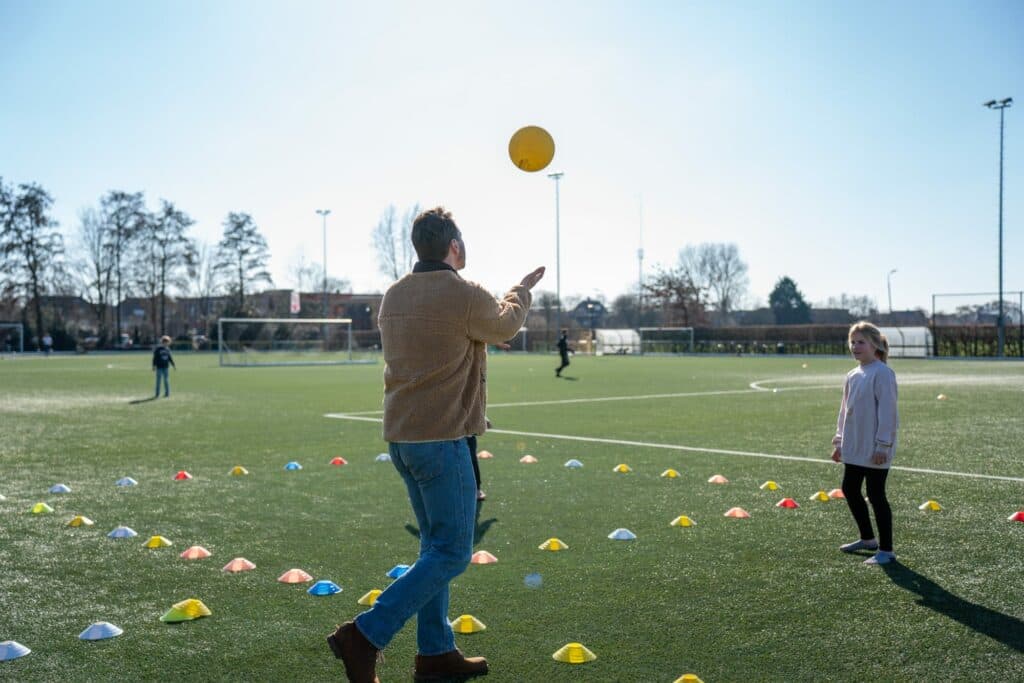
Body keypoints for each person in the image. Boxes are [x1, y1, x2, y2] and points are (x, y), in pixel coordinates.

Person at [327, 207, 544, 683]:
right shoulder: (463, 294)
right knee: (451, 553)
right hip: (443, 441)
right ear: (454, 247)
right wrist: (521, 290)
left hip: (403, 439)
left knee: (433, 547)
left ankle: (436, 653)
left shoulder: (394, 295)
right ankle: (364, 635)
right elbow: (505, 325)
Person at [831, 321, 899, 565]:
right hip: (854, 445)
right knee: (849, 489)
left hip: (875, 448)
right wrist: (839, 441)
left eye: (861, 342)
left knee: (875, 494)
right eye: (853, 342)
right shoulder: (852, 375)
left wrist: (883, 445)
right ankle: (867, 539)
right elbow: (844, 412)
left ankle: (886, 550)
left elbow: (888, 413)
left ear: (875, 345)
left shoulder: (882, 373)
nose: (855, 346)